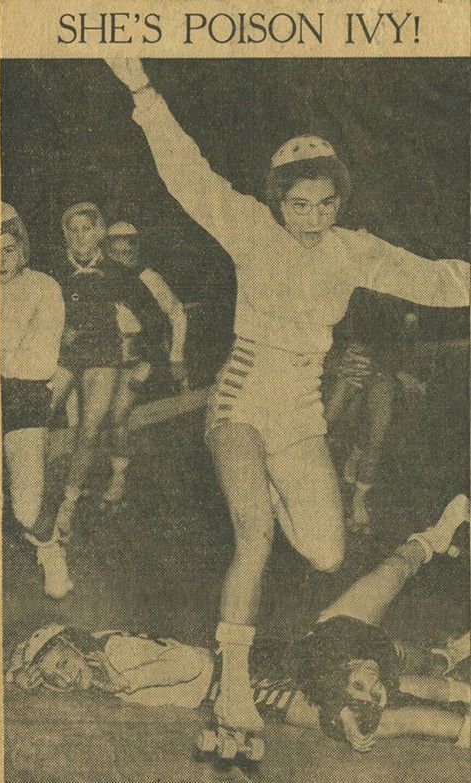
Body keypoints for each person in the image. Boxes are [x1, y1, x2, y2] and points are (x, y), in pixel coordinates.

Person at [105, 58, 470, 737]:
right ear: (278, 200)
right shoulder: (249, 229)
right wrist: (142, 91)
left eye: (324, 203)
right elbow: (186, 173)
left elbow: (438, 279)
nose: (310, 216)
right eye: (297, 203)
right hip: (240, 401)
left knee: (328, 554)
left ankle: (269, 488)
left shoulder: (353, 251)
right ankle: (234, 689)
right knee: (256, 535)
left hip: (300, 416)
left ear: (339, 201)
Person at [7, 496, 470, 752]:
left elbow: (191, 666)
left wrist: (122, 681)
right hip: (267, 679)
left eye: (60, 662)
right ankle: (453, 685)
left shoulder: (115, 655)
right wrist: (21, 673)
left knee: (370, 681)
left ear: (74, 644)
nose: (63, 677)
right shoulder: (103, 663)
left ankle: (430, 545)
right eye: (53, 680)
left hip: (253, 676)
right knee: (373, 711)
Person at [48, 203, 155, 537]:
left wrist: (146, 356)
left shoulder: (118, 272)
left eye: (87, 229)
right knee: (38, 416)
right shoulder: (53, 270)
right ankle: (30, 485)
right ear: (66, 234)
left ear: (98, 232)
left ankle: (68, 503)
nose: (81, 237)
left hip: (104, 357)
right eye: (74, 230)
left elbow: (150, 317)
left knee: (91, 428)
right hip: (63, 355)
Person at [0, 203, 73, 599]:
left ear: (22, 249)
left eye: (7, 250)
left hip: (23, 395)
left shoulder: (43, 287)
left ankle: (50, 549)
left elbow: (38, 361)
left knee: (26, 510)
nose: (0, 261)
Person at [101, 222, 188, 507]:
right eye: (116, 252)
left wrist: (175, 357)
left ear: (136, 248)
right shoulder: (99, 276)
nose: (122, 257)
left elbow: (177, 314)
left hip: (141, 358)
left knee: (120, 416)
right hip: (102, 359)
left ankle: (120, 477)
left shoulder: (148, 277)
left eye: (128, 251)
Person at [324, 293, 422, 534]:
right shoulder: (357, 282)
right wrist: (335, 357)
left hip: (384, 369)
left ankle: (358, 499)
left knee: (378, 435)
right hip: (355, 358)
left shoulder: (406, 298)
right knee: (322, 425)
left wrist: (405, 371)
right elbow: (331, 320)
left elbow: (406, 341)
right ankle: (292, 487)